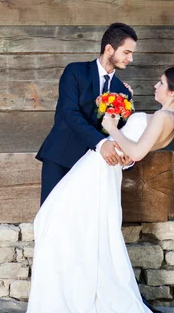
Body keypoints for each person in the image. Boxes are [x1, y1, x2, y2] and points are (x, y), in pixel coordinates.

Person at [24, 66, 174, 313]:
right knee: (64, 223)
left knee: (53, 219)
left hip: (98, 169)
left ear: (173, 92)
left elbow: (136, 152)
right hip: (103, 169)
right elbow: (129, 155)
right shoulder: (168, 117)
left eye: (160, 82)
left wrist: (111, 127)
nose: (155, 85)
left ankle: (67, 297)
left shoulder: (165, 117)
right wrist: (122, 109)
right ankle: (64, 292)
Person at [37, 22, 138, 205]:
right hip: (62, 157)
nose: (130, 59)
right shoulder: (75, 72)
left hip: (94, 168)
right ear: (109, 49)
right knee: (51, 220)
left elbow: (120, 130)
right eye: (126, 52)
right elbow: (69, 113)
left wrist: (128, 157)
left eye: (131, 54)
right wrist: (101, 144)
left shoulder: (123, 91)